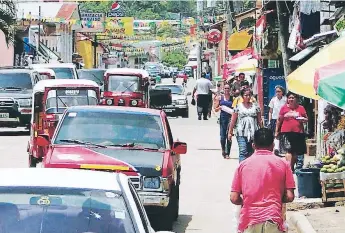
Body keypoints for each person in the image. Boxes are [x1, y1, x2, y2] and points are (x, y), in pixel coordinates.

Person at [230, 128, 295, 233]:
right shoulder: (284, 165)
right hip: (274, 219)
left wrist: (247, 202)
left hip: (249, 221)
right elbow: (290, 196)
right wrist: (277, 199)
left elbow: (234, 198)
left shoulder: (243, 165)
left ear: (253, 145)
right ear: (273, 145)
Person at [275, 92, 308, 172]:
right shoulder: (284, 108)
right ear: (287, 99)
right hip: (286, 132)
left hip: (298, 132)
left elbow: (306, 119)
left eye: (293, 98)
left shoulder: (301, 108)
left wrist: (302, 119)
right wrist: (276, 131)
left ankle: (293, 166)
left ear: (296, 99)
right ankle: (289, 168)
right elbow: (279, 120)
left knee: (296, 151)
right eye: (289, 98)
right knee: (288, 150)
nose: (291, 99)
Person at [228, 88, 262, 162]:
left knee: (251, 152)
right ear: (242, 96)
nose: (248, 97)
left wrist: (262, 131)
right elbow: (233, 120)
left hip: (253, 133)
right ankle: (242, 170)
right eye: (246, 95)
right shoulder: (238, 106)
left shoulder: (256, 106)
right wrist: (230, 132)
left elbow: (259, 120)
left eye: (249, 95)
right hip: (241, 132)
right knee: (243, 151)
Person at [214, 84, 233, 159]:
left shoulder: (233, 98)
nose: (226, 90)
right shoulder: (220, 98)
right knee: (222, 137)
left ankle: (227, 152)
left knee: (229, 136)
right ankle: (223, 150)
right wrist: (220, 107)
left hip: (230, 119)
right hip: (222, 118)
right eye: (225, 88)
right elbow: (215, 109)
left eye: (228, 88)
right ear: (223, 89)